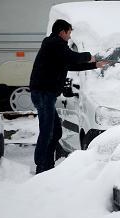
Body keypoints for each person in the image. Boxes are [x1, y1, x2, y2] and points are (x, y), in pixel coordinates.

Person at [29, 19, 108, 174]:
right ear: (62, 32)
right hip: (43, 93)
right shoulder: (54, 44)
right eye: (69, 32)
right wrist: (89, 57)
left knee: (55, 131)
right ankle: (41, 167)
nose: (70, 36)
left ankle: (47, 165)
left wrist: (94, 65)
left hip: (47, 94)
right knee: (47, 130)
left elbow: (70, 64)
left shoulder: (56, 48)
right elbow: (73, 57)